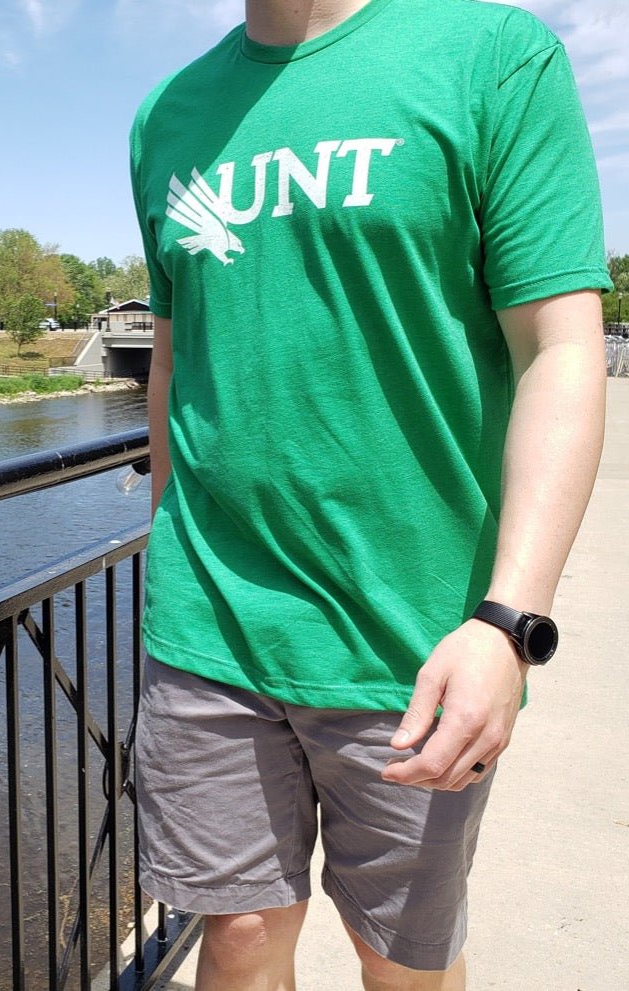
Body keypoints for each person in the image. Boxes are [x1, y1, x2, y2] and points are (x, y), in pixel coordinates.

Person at [129, 1, 612, 988]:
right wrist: (165, 549)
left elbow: (559, 352)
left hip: (415, 636)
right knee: (236, 938)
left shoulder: (490, 58)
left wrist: (507, 621)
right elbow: (174, 363)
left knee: (400, 959)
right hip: (208, 629)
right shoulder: (165, 115)